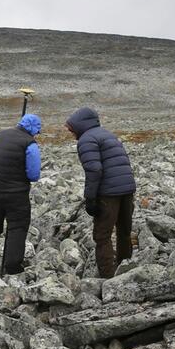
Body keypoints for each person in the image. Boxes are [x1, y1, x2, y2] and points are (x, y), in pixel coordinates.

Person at [65, 107, 136, 279]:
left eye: (71, 128)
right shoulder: (108, 135)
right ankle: (124, 268)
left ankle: (107, 278)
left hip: (108, 193)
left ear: (80, 125)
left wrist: (90, 199)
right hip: (127, 189)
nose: (71, 132)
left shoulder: (86, 140)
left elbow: (94, 170)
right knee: (124, 231)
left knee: (102, 236)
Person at [0, 114, 42, 274]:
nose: (36, 134)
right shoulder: (29, 144)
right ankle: (12, 267)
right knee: (17, 227)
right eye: (37, 131)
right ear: (33, 128)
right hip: (18, 196)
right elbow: (34, 174)